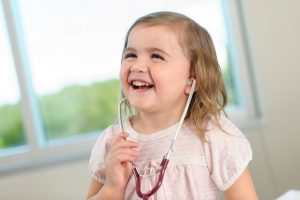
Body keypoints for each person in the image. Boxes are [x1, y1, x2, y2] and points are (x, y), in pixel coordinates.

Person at [87, 11, 258, 200]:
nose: (137, 66)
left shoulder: (213, 136)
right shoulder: (112, 142)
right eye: (131, 55)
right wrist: (112, 188)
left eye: (156, 56)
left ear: (193, 78)